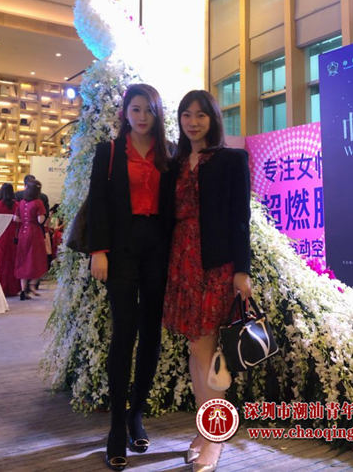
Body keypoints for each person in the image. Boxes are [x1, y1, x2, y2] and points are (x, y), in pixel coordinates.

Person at [162, 90, 252, 472]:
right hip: (180, 263)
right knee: (195, 348)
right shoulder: (175, 162)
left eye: (200, 115)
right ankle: (206, 430)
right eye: (186, 114)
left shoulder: (232, 160)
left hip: (214, 264)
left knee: (205, 350)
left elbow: (240, 218)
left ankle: (215, 436)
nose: (193, 122)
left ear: (213, 118)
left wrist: (242, 270)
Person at [87, 83, 173, 472]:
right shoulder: (108, 152)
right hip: (120, 251)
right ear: (125, 112)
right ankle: (116, 427)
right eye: (135, 109)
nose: (141, 117)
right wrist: (98, 250)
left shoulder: (169, 152)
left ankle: (136, 412)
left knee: (151, 334)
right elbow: (98, 203)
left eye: (148, 110)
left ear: (157, 114)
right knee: (124, 334)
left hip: (157, 250)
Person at [14, 179, 48, 300]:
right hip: (34, 233)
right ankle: (32, 284)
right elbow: (40, 220)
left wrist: (25, 221)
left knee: (23, 260)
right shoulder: (38, 202)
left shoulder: (21, 202)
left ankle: (23, 291)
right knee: (38, 259)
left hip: (23, 233)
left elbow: (15, 219)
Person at [0, 183, 21, 297]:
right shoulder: (16, 205)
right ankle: (13, 288)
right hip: (12, 236)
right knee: (11, 262)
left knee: (0, 262)